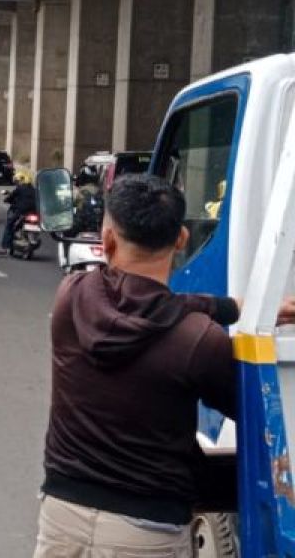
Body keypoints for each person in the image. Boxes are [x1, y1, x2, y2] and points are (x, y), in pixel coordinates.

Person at [33, 174, 243, 557]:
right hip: (148, 533)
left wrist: (228, 307)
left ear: (108, 240)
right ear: (181, 239)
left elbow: (153, 305)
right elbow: (254, 412)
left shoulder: (73, 296)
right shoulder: (198, 341)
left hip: (63, 517)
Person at [0, 170, 38, 256]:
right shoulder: (34, 190)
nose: (17, 183)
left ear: (22, 180)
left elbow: (11, 196)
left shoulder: (20, 188)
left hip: (22, 212)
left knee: (9, 225)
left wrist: (6, 199)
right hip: (34, 213)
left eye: (18, 181)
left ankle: (4, 248)